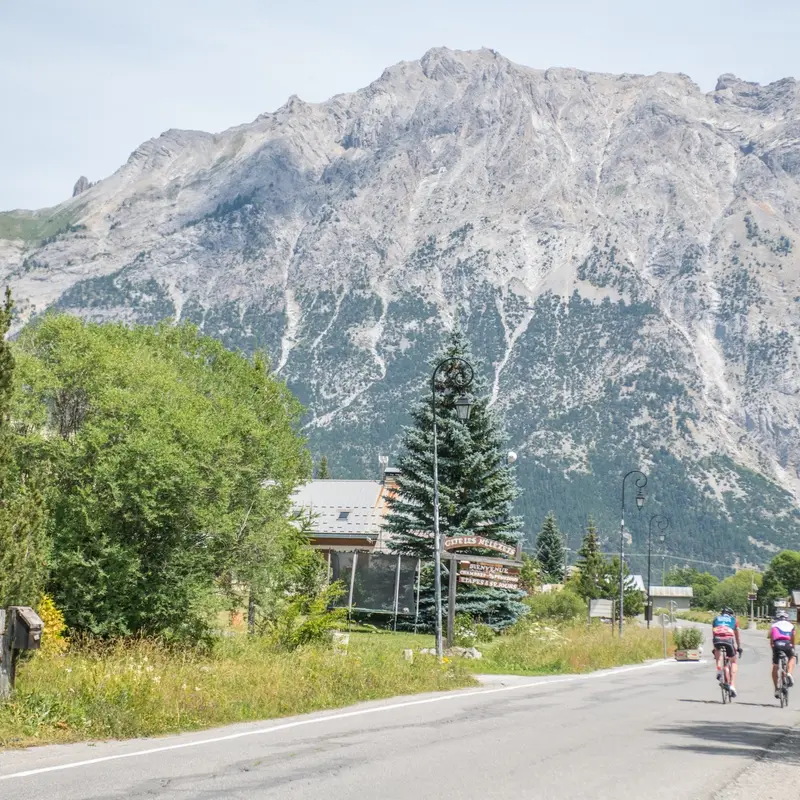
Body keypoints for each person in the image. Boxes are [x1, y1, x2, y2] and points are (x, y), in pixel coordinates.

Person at [711, 606, 742, 697]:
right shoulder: (734, 620)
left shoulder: (716, 619)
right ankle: (732, 685)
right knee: (733, 661)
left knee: (717, 650)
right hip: (728, 640)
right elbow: (737, 636)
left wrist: (715, 648)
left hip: (717, 639)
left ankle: (719, 670)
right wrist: (739, 647)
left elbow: (714, 633)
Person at [768, 610, 796, 698]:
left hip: (777, 645)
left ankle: (776, 689)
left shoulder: (774, 625)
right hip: (787, 644)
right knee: (791, 657)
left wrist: (774, 649)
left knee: (775, 666)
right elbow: (793, 637)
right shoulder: (791, 625)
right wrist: (793, 647)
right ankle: (789, 674)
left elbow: (771, 640)